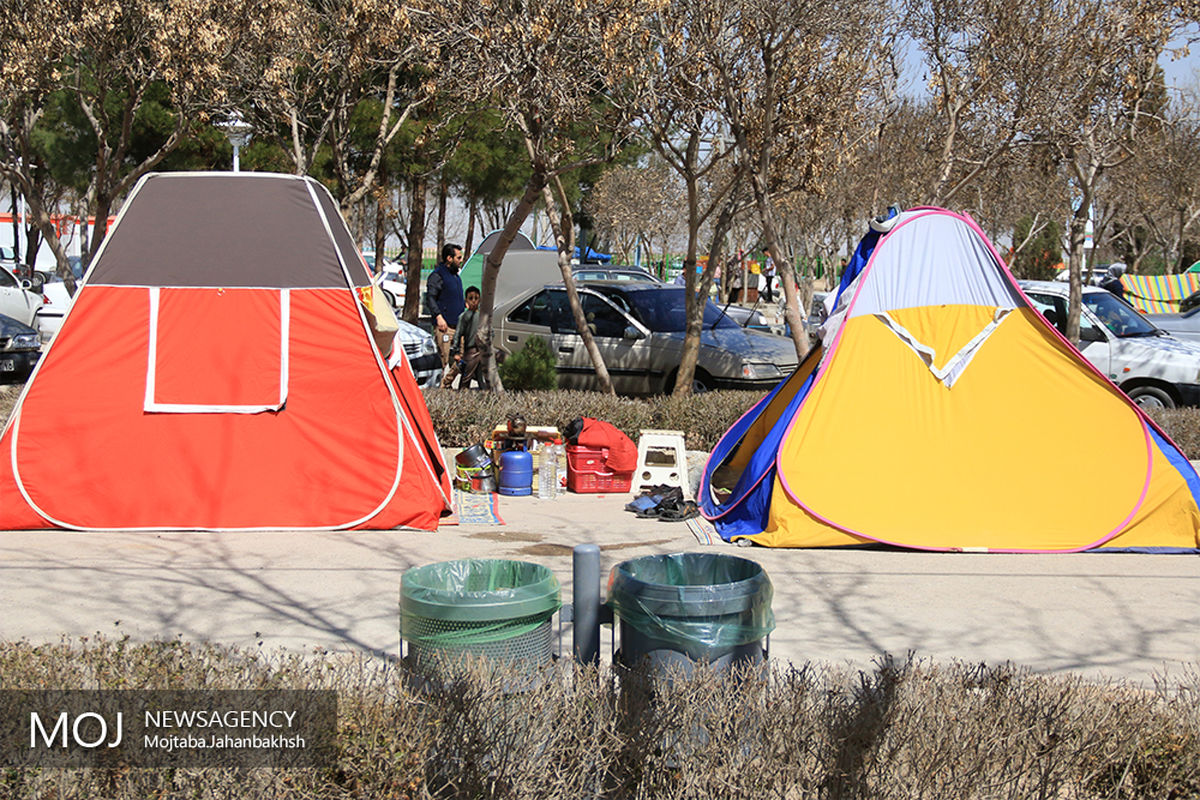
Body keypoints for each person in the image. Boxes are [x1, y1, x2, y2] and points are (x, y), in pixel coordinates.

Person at [425, 242, 465, 381]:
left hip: (459, 326)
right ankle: (439, 390)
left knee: (464, 357)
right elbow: (430, 298)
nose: (461, 261)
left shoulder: (456, 277)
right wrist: (438, 317)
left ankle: (447, 384)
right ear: (449, 258)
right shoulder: (437, 276)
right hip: (445, 327)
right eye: (458, 258)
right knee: (443, 359)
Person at [446, 286, 484, 389]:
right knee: (466, 379)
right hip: (470, 351)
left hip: (482, 350)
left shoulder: (483, 316)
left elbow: (490, 332)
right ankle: (462, 398)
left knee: (483, 379)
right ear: (466, 300)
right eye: (470, 298)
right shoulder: (464, 316)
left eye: (476, 298)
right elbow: (457, 335)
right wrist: (456, 352)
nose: (474, 301)